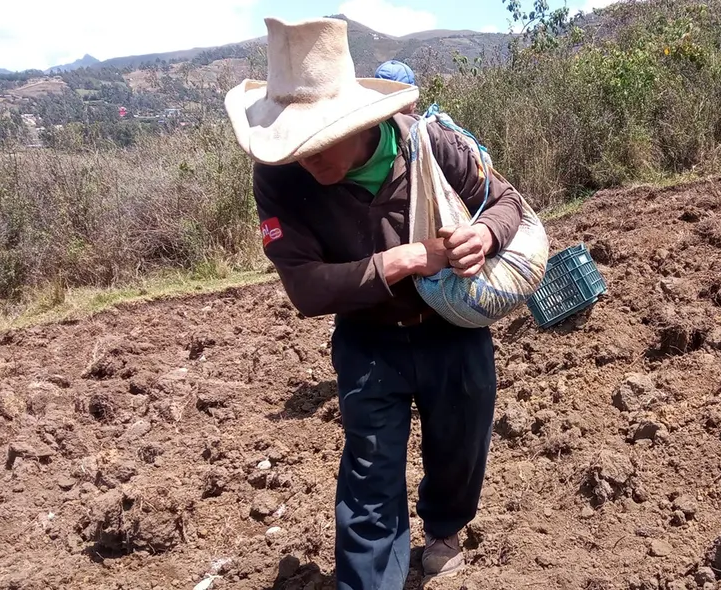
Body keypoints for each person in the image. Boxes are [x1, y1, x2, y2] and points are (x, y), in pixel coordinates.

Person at [223, 17, 525, 590]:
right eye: (296, 142)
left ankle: (443, 527)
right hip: (368, 341)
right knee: (369, 476)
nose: (306, 156)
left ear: (358, 121)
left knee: (460, 443)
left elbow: (507, 202)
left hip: (452, 330)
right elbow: (307, 289)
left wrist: (483, 236)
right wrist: (410, 258)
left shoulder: (429, 143)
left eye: (320, 139)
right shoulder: (278, 178)